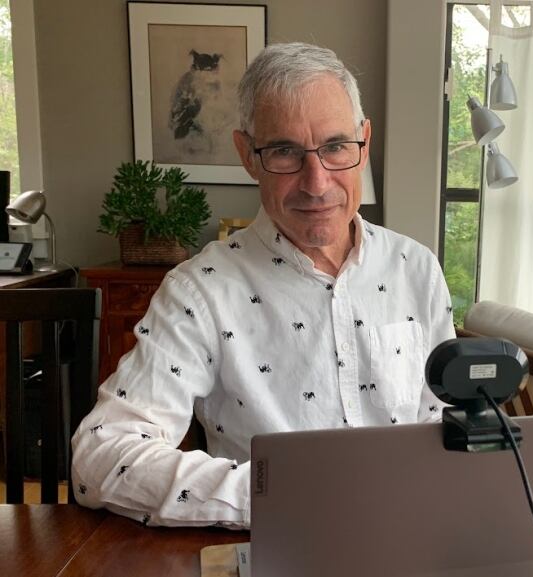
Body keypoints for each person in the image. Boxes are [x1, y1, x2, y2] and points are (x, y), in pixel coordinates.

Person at [71, 43, 455, 528]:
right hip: (276, 544)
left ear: (364, 142)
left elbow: (445, 425)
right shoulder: (200, 292)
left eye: (336, 146)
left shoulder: (416, 269)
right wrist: (279, 497)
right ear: (247, 156)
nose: (317, 183)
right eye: (284, 152)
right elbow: (101, 456)